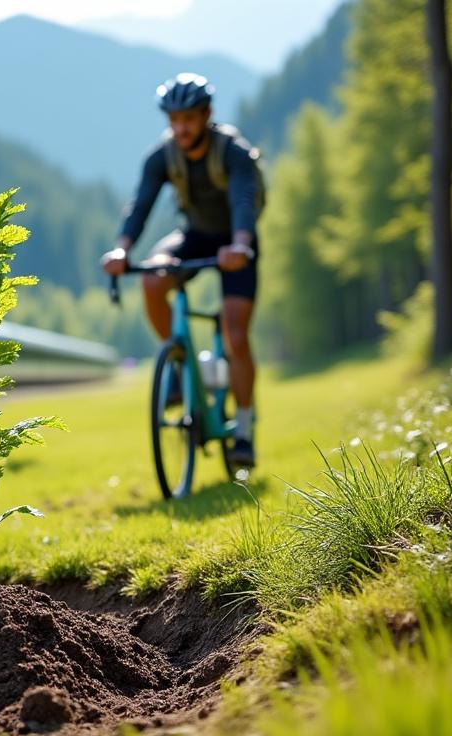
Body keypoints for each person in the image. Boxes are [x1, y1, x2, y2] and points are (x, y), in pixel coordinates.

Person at [101, 72, 263, 467]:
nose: (180, 127)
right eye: (173, 119)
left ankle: (243, 429)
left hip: (236, 243)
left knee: (236, 336)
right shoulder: (162, 156)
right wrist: (121, 250)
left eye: (188, 118)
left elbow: (244, 201)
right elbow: (139, 206)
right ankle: (177, 363)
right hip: (192, 235)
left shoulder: (234, 153)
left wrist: (240, 244)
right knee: (154, 279)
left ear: (206, 114)